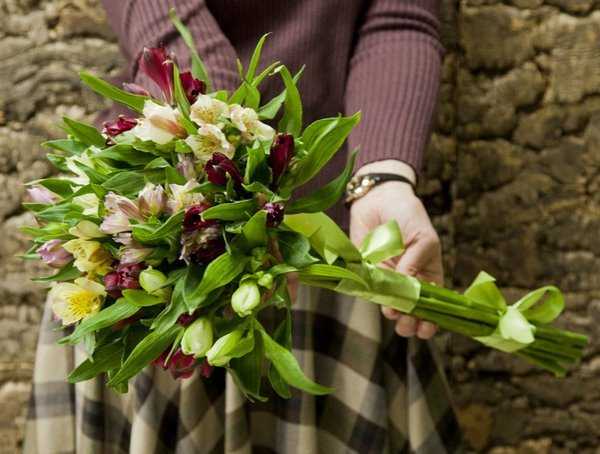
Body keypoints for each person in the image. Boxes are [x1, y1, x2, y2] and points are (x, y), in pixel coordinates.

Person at [24, 0, 462, 452]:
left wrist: (383, 178)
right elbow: (171, 24)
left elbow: (396, 17)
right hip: (162, 229)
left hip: (337, 239)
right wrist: (229, 184)